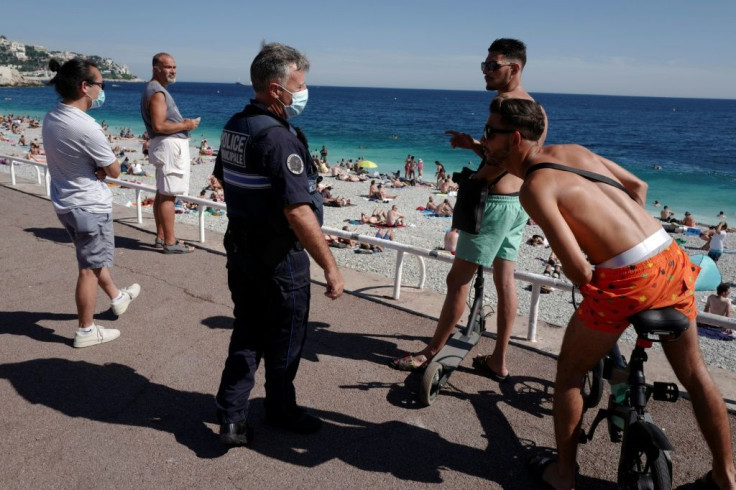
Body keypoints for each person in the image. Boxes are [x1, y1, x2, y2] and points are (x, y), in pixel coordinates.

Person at [482, 97, 735, 490]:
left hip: (630, 277)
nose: (485, 142)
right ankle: (726, 476)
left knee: (569, 372)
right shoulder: (574, 151)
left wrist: (608, 278)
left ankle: (564, 475)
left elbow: (579, 269)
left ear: (514, 139)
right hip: (670, 255)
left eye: (490, 133)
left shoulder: (534, 187)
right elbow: (638, 186)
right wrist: (624, 238)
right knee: (696, 374)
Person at [390, 38, 546, 382]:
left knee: (457, 280)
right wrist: (474, 145)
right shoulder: (534, 109)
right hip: (517, 205)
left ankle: (431, 352)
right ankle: (499, 361)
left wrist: (477, 176)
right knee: (505, 282)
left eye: (493, 66)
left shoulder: (505, 105)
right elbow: (515, 160)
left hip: (491, 206)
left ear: (514, 68)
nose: (485, 72)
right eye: (484, 65)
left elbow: (500, 160)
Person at [212, 43, 344, 447]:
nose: (303, 93)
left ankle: (232, 415)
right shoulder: (278, 139)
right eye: (299, 85)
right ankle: (280, 407)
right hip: (278, 256)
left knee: (248, 330)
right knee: (286, 336)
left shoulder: (236, 125)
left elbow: (222, 177)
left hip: (241, 249)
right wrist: (330, 265)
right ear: (275, 89)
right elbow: (298, 212)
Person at [42, 57, 141, 348]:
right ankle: (86, 330)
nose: (103, 89)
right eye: (101, 84)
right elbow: (114, 170)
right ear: (85, 87)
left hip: (65, 201)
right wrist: (101, 169)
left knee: (91, 257)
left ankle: (117, 297)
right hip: (89, 205)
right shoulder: (86, 127)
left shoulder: (52, 117)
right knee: (87, 267)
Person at [140, 52, 200, 253]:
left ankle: (162, 236)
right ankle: (170, 242)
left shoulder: (153, 89)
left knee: (162, 192)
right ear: (155, 69)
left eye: (174, 67)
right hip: (169, 148)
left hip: (164, 146)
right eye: (168, 67)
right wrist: (186, 124)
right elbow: (158, 125)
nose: (172, 70)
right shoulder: (157, 92)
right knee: (168, 195)